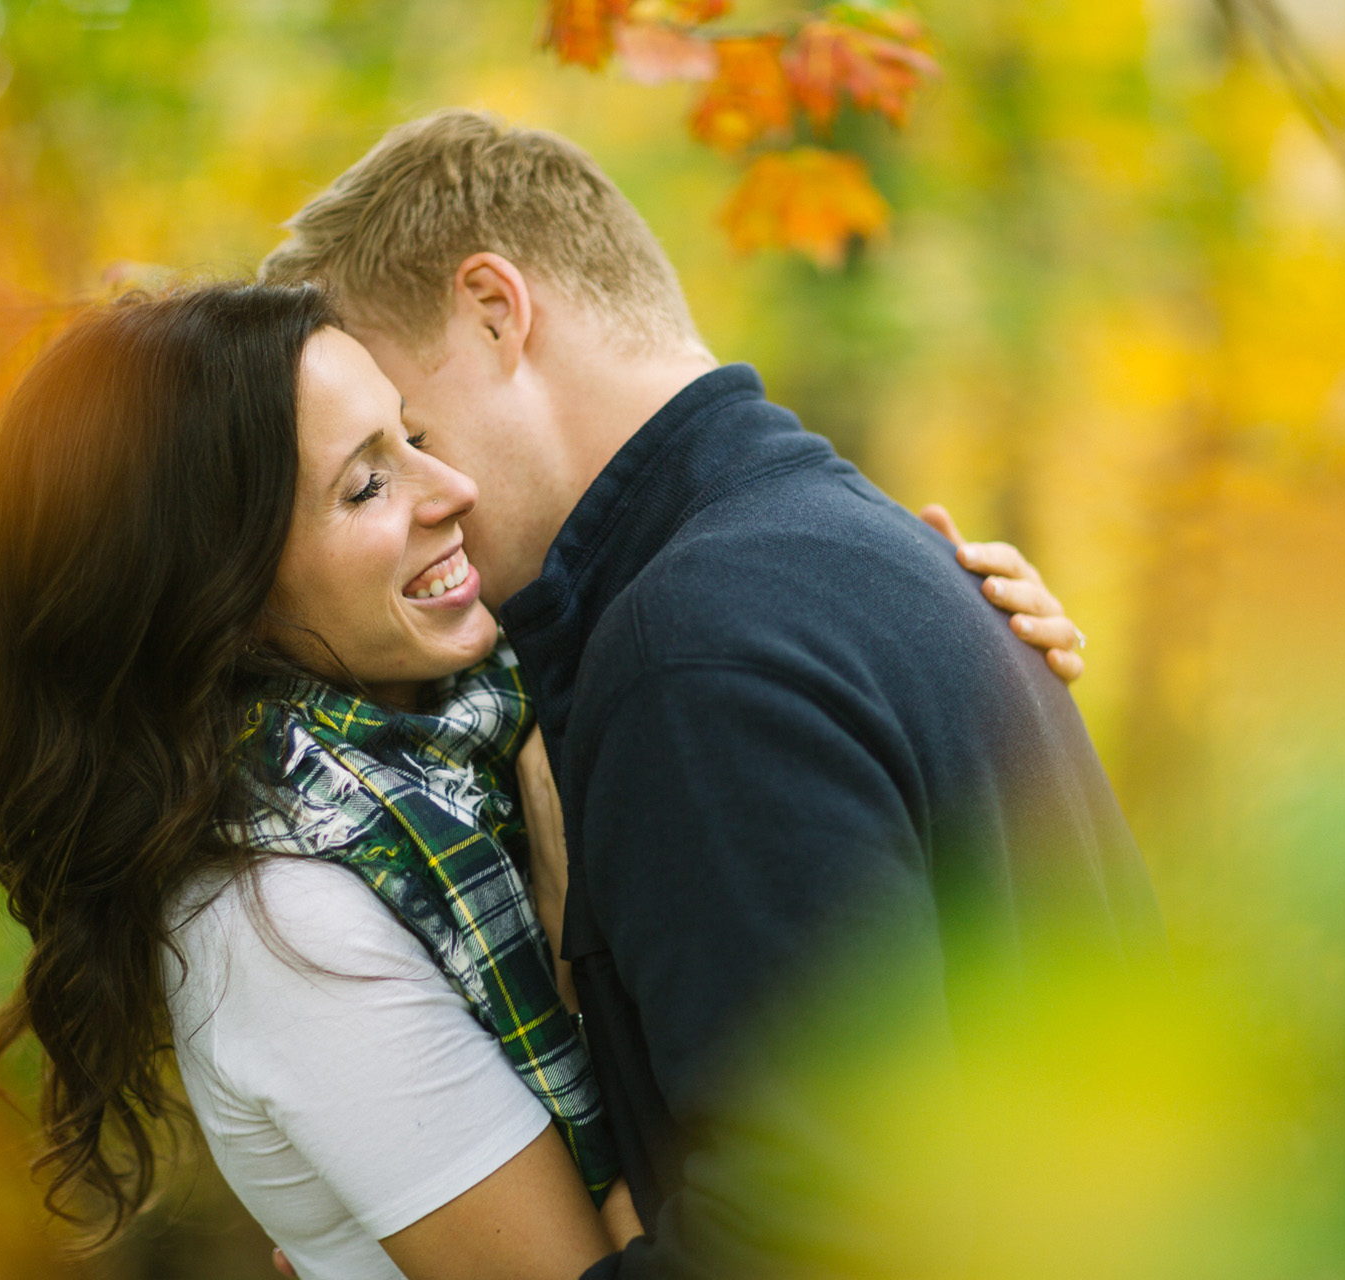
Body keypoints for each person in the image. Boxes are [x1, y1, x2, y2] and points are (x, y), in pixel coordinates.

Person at [0, 284, 1081, 1280]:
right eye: (366, 483)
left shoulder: (493, 728)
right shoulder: (274, 919)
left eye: (411, 433)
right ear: (216, 589)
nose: (448, 485)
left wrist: (923, 629)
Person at [258, 109, 1164, 1279]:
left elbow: (815, 1242)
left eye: (413, 434)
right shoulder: (853, 554)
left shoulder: (698, 650)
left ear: (497, 310)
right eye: (374, 472)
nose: (425, 495)